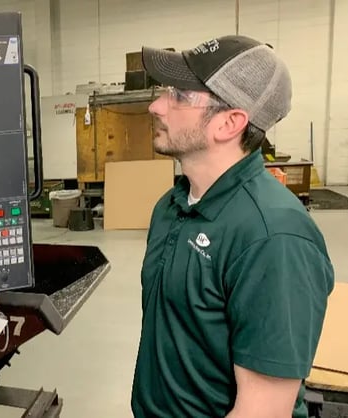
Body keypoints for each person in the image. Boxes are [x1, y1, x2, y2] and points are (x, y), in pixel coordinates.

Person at [132, 35, 335, 417]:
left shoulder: (273, 237)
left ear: (229, 123)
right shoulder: (171, 206)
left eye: (179, 95)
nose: (156, 105)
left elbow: (262, 411)